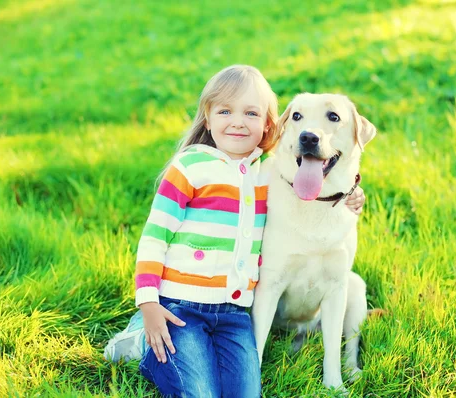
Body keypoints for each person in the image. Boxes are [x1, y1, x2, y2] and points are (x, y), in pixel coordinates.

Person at [104, 65, 366, 397]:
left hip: (232, 314)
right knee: (198, 391)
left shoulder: (265, 174)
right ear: (207, 118)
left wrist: (351, 193)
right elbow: (154, 238)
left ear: (269, 126)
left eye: (251, 113)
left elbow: (325, 179)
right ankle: (142, 340)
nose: (238, 121)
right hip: (181, 306)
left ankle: (197, 352)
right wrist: (148, 302)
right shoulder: (190, 167)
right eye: (225, 111)